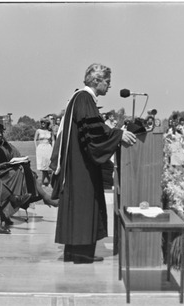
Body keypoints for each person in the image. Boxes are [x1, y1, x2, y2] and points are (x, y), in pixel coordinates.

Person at [54, 63, 136, 264]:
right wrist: (118, 134)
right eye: (107, 82)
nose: (109, 86)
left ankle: (74, 253)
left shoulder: (79, 98)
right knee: (84, 204)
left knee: (78, 205)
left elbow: (92, 129)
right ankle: (82, 255)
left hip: (77, 163)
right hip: (82, 166)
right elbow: (94, 132)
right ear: (96, 80)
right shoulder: (84, 98)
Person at [0, 117, 58, 225]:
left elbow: (17, 155)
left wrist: (21, 159)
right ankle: (44, 198)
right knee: (18, 172)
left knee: (25, 170)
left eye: (1, 132)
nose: (0, 135)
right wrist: (4, 165)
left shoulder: (5, 144)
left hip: (9, 173)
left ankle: (44, 198)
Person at [34, 118, 53, 186]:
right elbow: (35, 140)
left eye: (44, 123)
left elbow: (53, 140)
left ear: (47, 124)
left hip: (48, 147)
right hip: (41, 148)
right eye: (42, 123)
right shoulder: (38, 131)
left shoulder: (50, 131)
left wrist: (52, 147)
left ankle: (46, 181)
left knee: (48, 164)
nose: (42, 124)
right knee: (42, 165)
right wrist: (36, 147)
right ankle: (46, 181)